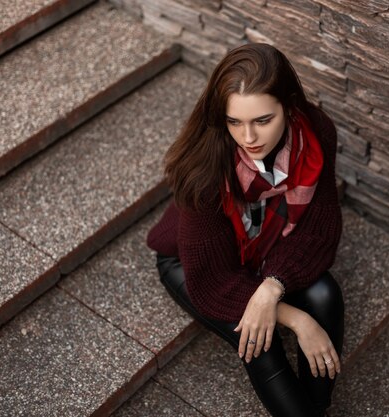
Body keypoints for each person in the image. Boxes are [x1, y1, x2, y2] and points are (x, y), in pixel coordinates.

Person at [147, 43, 344, 417]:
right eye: (234, 122)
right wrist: (295, 319)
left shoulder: (315, 133)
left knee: (325, 295)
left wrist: (272, 285)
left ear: (288, 105)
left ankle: (318, 407)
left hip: (265, 252)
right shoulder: (204, 172)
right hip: (192, 265)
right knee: (261, 339)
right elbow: (213, 280)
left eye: (262, 120)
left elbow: (320, 227)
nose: (248, 137)